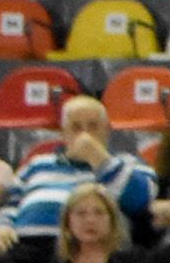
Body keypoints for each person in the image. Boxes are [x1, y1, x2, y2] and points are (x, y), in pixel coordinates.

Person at [12, 96, 151, 248]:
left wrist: (99, 159)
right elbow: (11, 201)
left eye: (93, 126)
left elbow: (139, 200)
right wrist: (3, 226)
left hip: (87, 248)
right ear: (63, 133)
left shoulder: (128, 164)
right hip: (24, 245)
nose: (85, 135)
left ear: (107, 130)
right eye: (76, 127)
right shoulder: (38, 163)